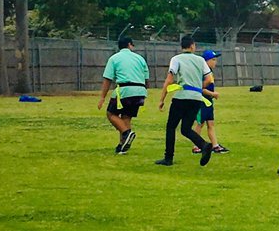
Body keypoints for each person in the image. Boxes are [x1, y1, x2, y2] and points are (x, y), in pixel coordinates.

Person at [155, 34, 214, 167]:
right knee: (186, 128)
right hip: (196, 98)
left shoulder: (176, 59)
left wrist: (162, 99)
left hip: (181, 97)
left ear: (182, 46)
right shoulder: (200, 60)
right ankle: (203, 145)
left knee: (171, 127)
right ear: (192, 46)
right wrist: (198, 88)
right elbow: (209, 79)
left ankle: (168, 158)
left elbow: (169, 79)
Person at [98, 35, 149, 154]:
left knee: (111, 113)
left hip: (125, 89)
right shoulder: (140, 58)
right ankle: (122, 146)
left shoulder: (114, 58)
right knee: (126, 116)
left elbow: (107, 79)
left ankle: (127, 133)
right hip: (140, 91)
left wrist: (102, 97)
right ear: (130, 45)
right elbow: (146, 79)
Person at [191, 49, 229, 155]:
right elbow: (199, 88)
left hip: (209, 101)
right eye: (213, 59)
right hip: (202, 101)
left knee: (210, 123)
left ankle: (215, 145)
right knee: (200, 123)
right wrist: (212, 94)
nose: (215, 62)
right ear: (206, 61)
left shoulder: (209, 72)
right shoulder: (202, 73)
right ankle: (196, 146)